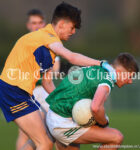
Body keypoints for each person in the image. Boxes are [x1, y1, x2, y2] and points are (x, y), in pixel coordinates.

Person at [0, 2, 115, 150]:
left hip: (19, 92)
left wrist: (63, 101)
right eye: (72, 27)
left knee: (47, 135)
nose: (73, 32)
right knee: (45, 143)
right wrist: (101, 63)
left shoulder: (48, 47)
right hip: (13, 91)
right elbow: (71, 57)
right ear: (61, 24)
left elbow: (47, 82)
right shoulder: (47, 37)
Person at [46, 53, 139, 150]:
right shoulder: (107, 79)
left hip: (55, 114)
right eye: (130, 76)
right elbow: (95, 108)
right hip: (62, 123)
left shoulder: (95, 67)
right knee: (116, 138)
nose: (130, 81)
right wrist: (104, 123)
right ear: (119, 72)